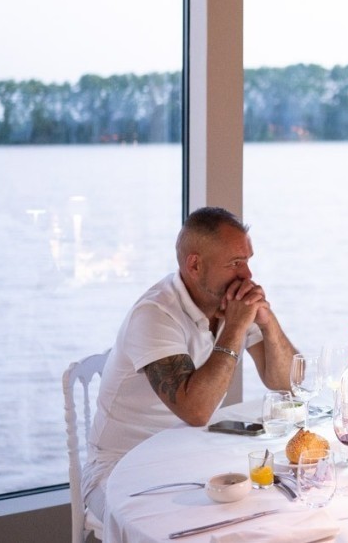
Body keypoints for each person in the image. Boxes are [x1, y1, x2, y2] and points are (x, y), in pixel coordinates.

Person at [83, 207, 298, 520]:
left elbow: (286, 382)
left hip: (188, 452)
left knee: (268, 508)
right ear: (195, 265)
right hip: (120, 467)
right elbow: (197, 410)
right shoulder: (155, 314)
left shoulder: (230, 302)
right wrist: (236, 327)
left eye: (248, 261)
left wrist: (267, 321)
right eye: (235, 263)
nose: (248, 275)